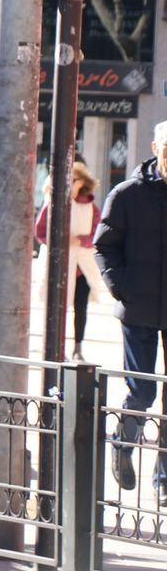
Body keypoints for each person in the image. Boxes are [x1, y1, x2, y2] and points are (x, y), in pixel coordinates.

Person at [94, 121, 167, 503]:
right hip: (138, 306)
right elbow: (104, 246)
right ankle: (123, 446)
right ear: (157, 149)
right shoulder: (127, 194)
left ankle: (164, 477)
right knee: (142, 390)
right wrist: (120, 288)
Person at [35, 161, 109, 362]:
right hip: (60, 264)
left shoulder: (91, 207)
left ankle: (77, 347)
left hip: (83, 267)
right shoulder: (52, 203)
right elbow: (40, 232)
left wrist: (82, 240)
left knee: (80, 308)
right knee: (58, 307)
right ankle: (55, 347)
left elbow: (99, 233)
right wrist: (59, 240)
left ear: (81, 182)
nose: (70, 183)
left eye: (74, 179)